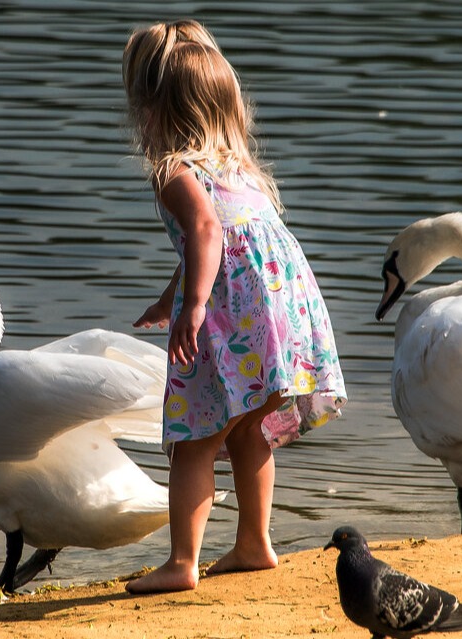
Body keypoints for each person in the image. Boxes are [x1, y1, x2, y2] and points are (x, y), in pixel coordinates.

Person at [122, 20, 347, 594]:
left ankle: (181, 563)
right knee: (249, 433)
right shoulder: (243, 173)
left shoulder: (175, 171)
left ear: (152, 109)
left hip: (229, 322)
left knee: (194, 441)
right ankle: (254, 544)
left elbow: (203, 230)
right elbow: (221, 239)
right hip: (282, 322)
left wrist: (193, 305)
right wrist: (171, 295)